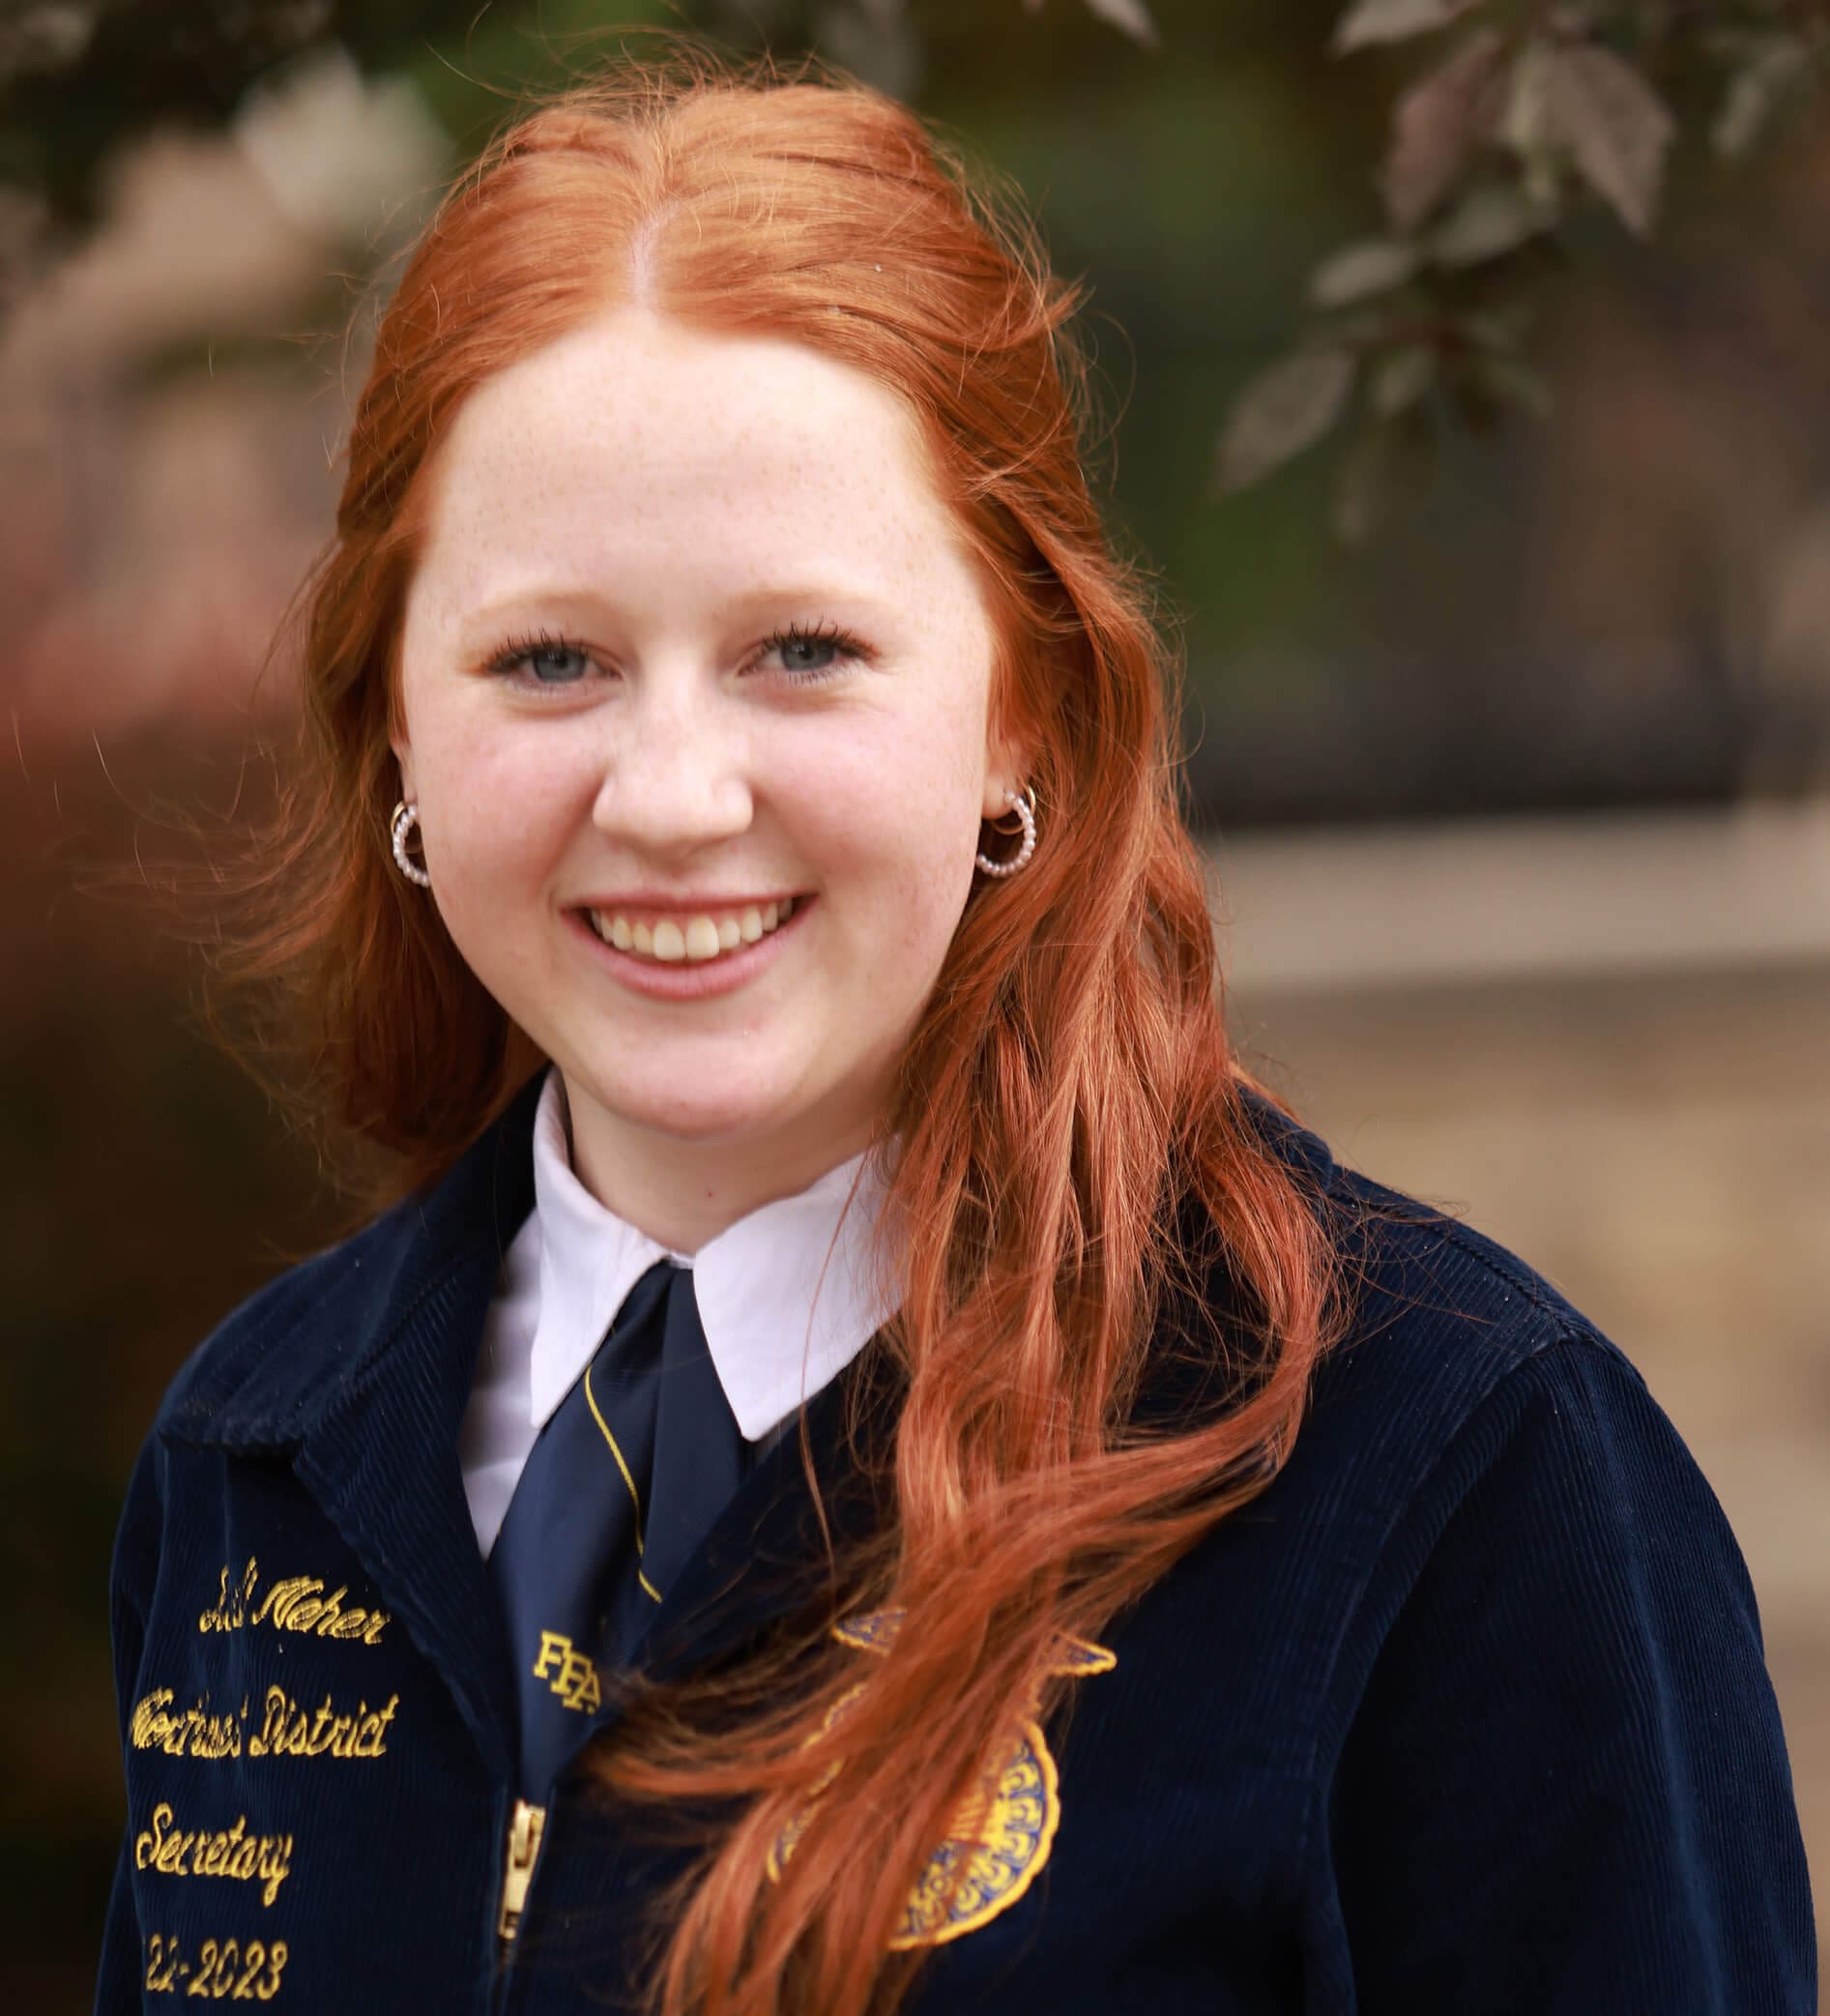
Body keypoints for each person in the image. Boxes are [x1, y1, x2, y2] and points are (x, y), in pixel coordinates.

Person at [95, 47, 1815, 2016]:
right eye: (547, 658)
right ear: (397, 722)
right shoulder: (254, 1459)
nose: (671, 794)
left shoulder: (1455, 1474)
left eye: (801, 651)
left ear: (1020, 711)